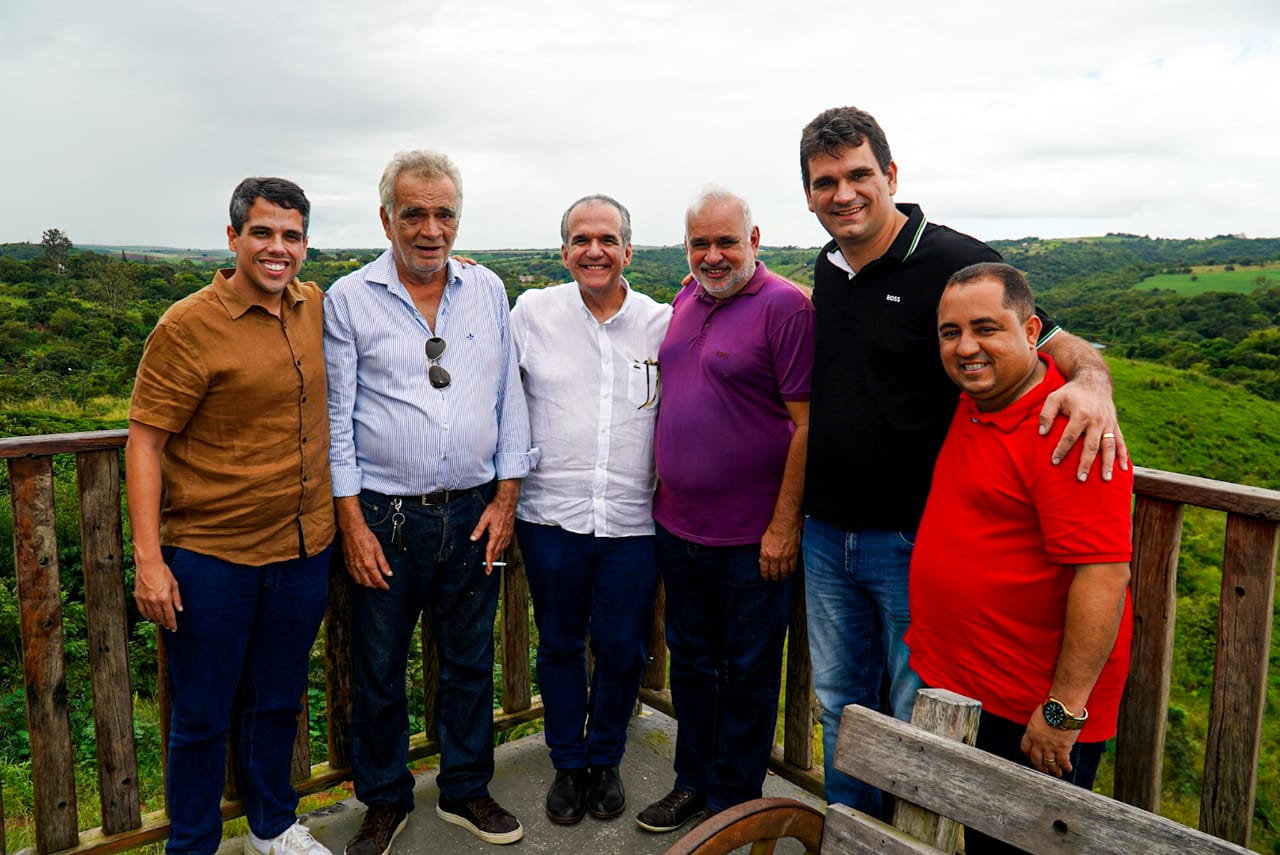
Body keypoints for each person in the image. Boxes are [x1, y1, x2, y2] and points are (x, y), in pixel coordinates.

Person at [798, 105, 1129, 814]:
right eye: (826, 182)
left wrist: (1094, 385)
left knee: (918, 722)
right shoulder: (826, 269)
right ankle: (852, 829)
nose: (844, 193)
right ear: (809, 194)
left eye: (859, 175)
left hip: (910, 540)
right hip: (826, 533)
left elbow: (1055, 337)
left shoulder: (953, 259)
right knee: (838, 704)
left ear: (890, 175)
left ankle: (907, 834)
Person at [324, 150, 534, 849]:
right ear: (387, 218)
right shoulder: (349, 298)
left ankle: (466, 789)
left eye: (444, 213)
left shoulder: (488, 289)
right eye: (414, 212)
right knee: (380, 666)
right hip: (384, 516)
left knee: (470, 660)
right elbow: (337, 420)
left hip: (472, 507)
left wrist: (506, 499)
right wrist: (350, 522)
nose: (431, 228)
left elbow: (510, 400)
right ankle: (385, 798)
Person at [127, 177, 334, 855]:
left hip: (303, 547)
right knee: (202, 715)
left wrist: (458, 268)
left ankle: (272, 825)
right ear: (234, 237)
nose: (278, 248)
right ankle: (193, 844)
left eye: (292, 235)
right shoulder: (188, 325)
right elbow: (146, 442)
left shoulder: (316, 307)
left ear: (305, 243)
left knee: (277, 702)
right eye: (263, 232)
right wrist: (150, 562)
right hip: (213, 556)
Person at [908, 262, 1133, 855]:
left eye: (987, 328)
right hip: (961, 690)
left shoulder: (1066, 427)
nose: (966, 347)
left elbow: (1104, 575)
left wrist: (1062, 713)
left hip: (1029, 712)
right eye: (950, 333)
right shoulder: (977, 400)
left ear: (1032, 331)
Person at [636, 187, 815, 833]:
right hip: (678, 526)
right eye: (700, 244)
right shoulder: (686, 298)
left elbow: (806, 425)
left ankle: (734, 800)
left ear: (754, 239)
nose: (713, 256)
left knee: (746, 671)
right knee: (690, 660)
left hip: (750, 538)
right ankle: (691, 782)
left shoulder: (786, 307)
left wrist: (782, 525)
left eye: (725, 242)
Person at [510, 194, 671, 826]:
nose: (594, 250)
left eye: (607, 239)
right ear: (564, 251)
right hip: (552, 515)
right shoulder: (533, 311)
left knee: (623, 647)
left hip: (633, 519)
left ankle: (606, 758)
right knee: (557, 645)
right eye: (582, 239)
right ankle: (567, 762)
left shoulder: (662, 322)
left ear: (628, 250)